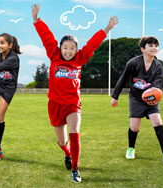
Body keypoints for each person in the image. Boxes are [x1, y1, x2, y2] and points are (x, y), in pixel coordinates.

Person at [32, 4, 118, 183]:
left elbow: (92, 44)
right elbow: (46, 37)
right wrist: (36, 20)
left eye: (72, 48)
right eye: (65, 47)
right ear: (60, 48)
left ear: (76, 50)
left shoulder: (80, 59)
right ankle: (67, 153)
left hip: (72, 104)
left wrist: (107, 28)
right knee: (62, 142)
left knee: (74, 131)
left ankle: (75, 168)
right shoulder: (53, 55)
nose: (68, 51)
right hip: (55, 104)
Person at [111, 36, 163, 163]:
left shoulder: (158, 66)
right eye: (150, 45)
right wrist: (115, 97)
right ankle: (130, 148)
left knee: (157, 121)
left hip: (150, 99)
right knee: (134, 127)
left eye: (156, 46)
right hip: (136, 98)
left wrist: (154, 96)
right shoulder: (133, 63)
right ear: (142, 49)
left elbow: (157, 86)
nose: (154, 48)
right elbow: (123, 78)